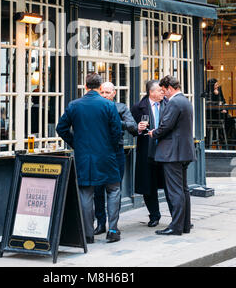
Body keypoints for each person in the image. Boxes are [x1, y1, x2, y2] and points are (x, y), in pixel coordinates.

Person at [56, 73, 122, 244]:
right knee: (113, 190)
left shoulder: (74, 105)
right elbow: (116, 132)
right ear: (100, 88)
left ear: (85, 86)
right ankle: (113, 230)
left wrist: (76, 144)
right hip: (107, 155)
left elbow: (61, 128)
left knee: (86, 193)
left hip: (84, 156)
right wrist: (111, 148)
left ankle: (87, 234)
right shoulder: (108, 105)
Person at [147, 75, 196, 236]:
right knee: (183, 190)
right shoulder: (185, 101)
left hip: (172, 153)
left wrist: (154, 132)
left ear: (170, 88)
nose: (163, 94)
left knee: (175, 191)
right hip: (184, 152)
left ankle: (175, 227)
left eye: (163, 90)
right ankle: (185, 224)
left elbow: (165, 125)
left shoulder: (174, 102)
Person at [94, 82, 137, 236]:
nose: (105, 95)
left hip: (116, 151)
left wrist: (117, 123)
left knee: (114, 189)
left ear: (114, 93)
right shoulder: (95, 107)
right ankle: (100, 223)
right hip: (97, 151)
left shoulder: (121, 108)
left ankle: (114, 226)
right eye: (102, 92)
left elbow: (133, 126)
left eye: (107, 92)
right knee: (98, 189)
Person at [131, 80, 173, 227]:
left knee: (170, 186)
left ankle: (176, 217)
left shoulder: (169, 104)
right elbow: (131, 129)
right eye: (160, 91)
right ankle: (154, 215)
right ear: (152, 92)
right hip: (146, 153)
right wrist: (138, 128)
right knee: (148, 186)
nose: (163, 93)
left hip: (166, 152)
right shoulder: (138, 107)